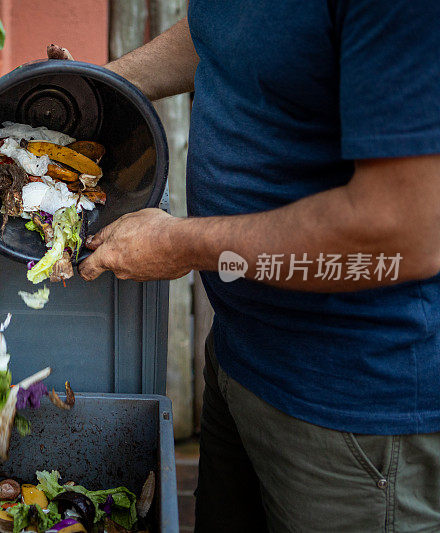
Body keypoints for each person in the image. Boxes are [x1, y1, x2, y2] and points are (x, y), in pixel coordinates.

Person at [59, 1, 440, 531]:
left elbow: (404, 231)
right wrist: (103, 87)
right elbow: (225, 28)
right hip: (241, 354)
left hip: (352, 408)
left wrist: (180, 244)